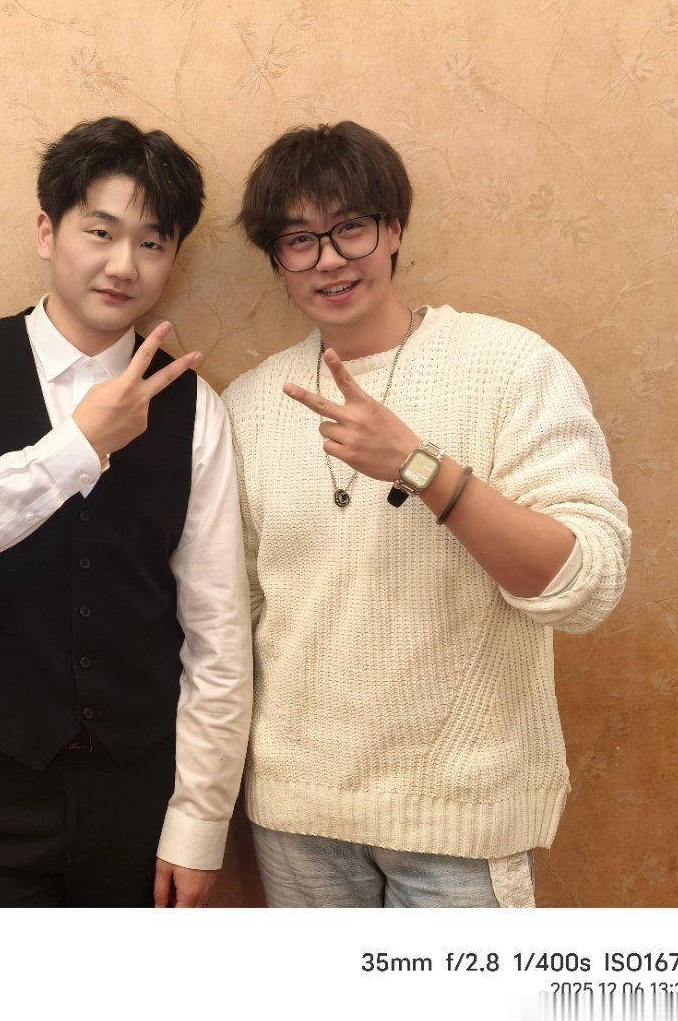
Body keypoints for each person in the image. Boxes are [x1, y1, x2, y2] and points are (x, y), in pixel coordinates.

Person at [223, 122, 631, 908]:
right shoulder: (248, 404)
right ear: (276, 261)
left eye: (349, 228)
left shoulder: (509, 366)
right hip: (297, 813)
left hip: (461, 817)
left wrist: (421, 467)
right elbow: (232, 614)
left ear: (393, 228)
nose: (329, 259)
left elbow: (586, 586)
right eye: (299, 240)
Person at [0, 117, 253, 907]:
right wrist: (77, 446)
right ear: (46, 231)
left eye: (151, 243)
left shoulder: (198, 409)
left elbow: (217, 632)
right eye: (100, 232)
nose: (123, 265)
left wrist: (198, 821)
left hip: (138, 803)